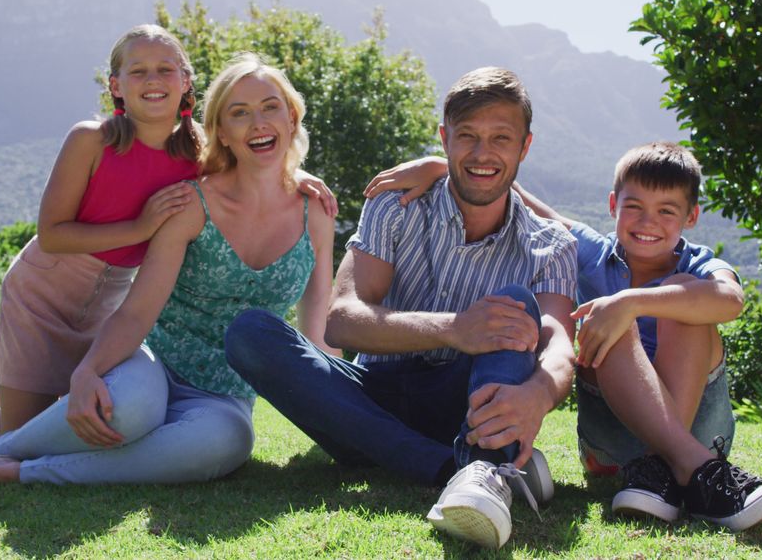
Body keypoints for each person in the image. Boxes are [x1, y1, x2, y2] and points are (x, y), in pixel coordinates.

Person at [0, 52, 338, 486]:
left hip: (224, 396)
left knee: (226, 446)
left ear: (292, 117)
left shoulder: (315, 210)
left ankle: (9, 466)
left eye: (270, 108)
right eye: (240, 113)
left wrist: (343, 411)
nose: (258, 123)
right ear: (220, 129)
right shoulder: (191, 202)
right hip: (151, 362)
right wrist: (86, 373)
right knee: (128, 413)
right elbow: (137, 311)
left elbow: (318, 326)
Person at [224, 67, 578, 549]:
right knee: (249, 333)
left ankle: (472, 466)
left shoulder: (550, 243)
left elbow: (558, 342)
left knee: (516, 306)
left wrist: (539, 392)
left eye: (501, 138)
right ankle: (467, 469)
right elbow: (342, 318)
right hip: (370, 394)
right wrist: (455, 329)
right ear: (444, 138)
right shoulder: (396, 205)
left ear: (524, 147)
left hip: (466, 401)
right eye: (467, 136)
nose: (482, 154)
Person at [369, 141, 762, 531]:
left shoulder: (699, 262)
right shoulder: (591, 253)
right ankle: (691, 473)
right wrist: (445, 168)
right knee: (606, 322)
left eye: (667, 211)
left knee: (686, 302)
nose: (648, 222)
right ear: (613, 205)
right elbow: (531, 208)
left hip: (700, 429)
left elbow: (730, 299)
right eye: (635, 207)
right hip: (616, 447)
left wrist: (632, 300)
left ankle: (668, 470)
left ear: (691, 217)